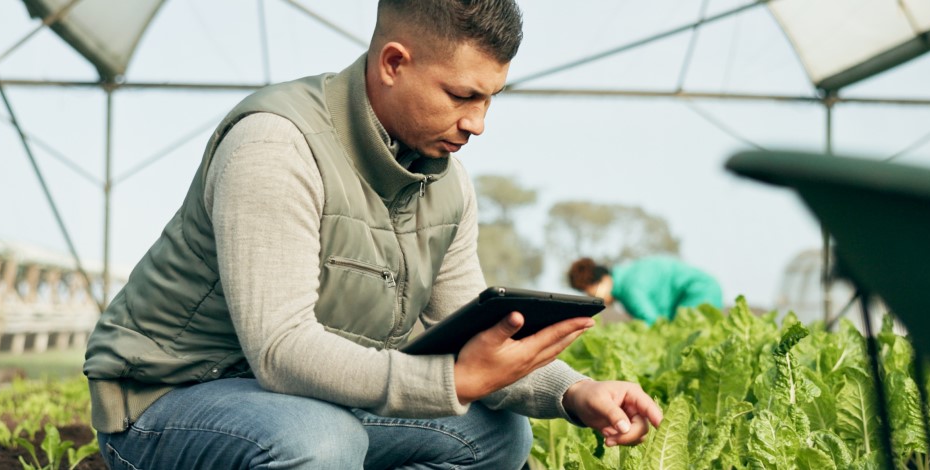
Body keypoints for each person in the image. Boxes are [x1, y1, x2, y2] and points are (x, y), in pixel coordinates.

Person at [82, 1, 662, 468]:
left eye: (490, 98)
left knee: (497, 437)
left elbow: (464, 325)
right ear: (392, 63)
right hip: (167, 403)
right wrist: (449, 379)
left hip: (296, 402)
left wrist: (574, 392)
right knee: (319, 441)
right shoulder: (276, 145)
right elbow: (281, 352)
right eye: (461, 95)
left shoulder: (447, 183)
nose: (478, 123)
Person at [567, 256, 724, 325]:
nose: (602, 300)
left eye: (596, 294)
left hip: (699, 292)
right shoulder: (628, 277)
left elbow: (653, 323)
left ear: (605, 279)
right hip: (705, 288)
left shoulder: (630, 290)